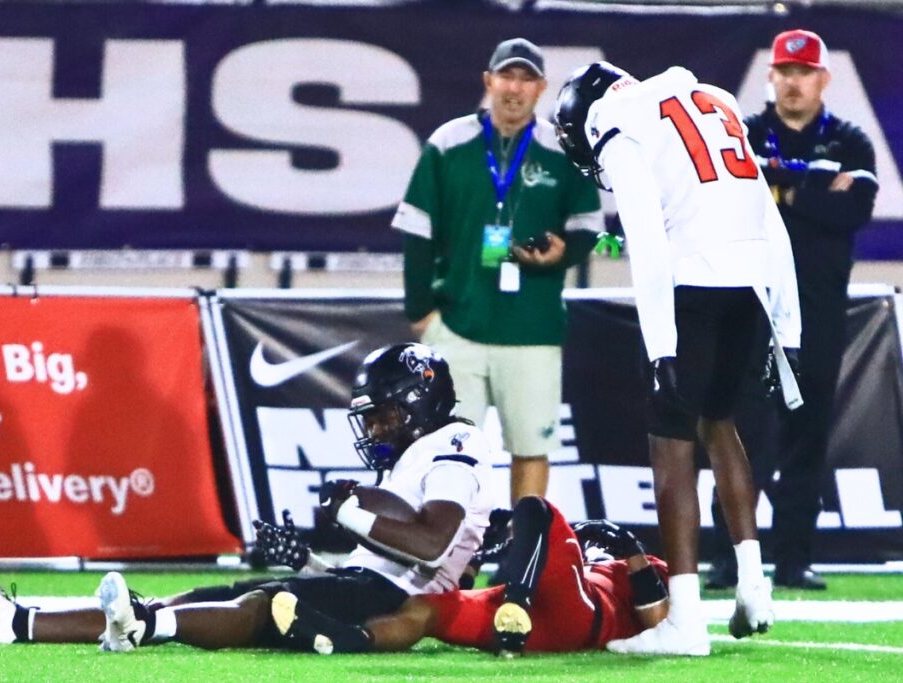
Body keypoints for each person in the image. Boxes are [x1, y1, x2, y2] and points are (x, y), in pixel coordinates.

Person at [0, 342, 494, 651]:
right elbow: (376, 567)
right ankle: (17, 624)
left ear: (417, 403)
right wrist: (311, 562)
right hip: (368, 585)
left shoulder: (455, 443)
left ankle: (143, 628)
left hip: (393, 602)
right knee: (197, 598)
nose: (374, 428)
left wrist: (352, 513)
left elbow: (428, 547)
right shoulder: (415, 454)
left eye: (382, 414)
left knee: (262, 607)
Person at [553, 61, 804, 655]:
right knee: (721, 424)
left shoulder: (619, 120)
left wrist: (661, 344)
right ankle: (752, 583)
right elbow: (770, 216)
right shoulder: (712, 99)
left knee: (671, 442)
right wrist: (785, 325)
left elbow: (645, 237)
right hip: (751, 284)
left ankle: (685, 622)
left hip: (690, 284)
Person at [392, 37, 604, 504]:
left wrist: (562, 253)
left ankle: (520, 559)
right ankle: (451, 560)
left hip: (533, 326)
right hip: (458, 324)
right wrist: (421, 314)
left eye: (526, 78)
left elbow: (590, 228)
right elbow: (416, 232)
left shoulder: (563, 148)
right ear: (488, 81)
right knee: (446, 451)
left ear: (542, 88)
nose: (515, 87)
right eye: (507, 75)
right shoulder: (449, 143)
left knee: (531, 449)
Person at [707, 29, 879, 591]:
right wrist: (815, 186)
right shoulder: (744, 133)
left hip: (819, 309)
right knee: (741, 432)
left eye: (804, 72)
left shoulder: (852, 141)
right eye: (785, 71)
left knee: (807, 434)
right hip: (752, 306)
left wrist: (781, 186)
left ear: (823, 79)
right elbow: (733, 207)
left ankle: (792, 559)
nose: (794, 81)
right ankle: (731, 557)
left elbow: (851, 213)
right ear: (771, 76)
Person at [266, 498, 671, 656]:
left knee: (535, 507)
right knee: (426, 608)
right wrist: (480, 552)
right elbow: (459, 585)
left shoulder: (647, 566)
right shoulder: (541, 555)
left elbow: (658, 623)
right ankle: (344, 639)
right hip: (522, 613)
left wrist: (631, 551)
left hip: (581, 612)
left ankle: (516, 604)